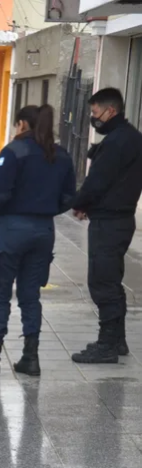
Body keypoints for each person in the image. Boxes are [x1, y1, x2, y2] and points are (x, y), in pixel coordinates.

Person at [0, 105, 76, 378]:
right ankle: (30, 358)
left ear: (22, 124)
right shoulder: (61, 155)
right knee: (31, 296)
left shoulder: (13, 152)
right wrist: (46, 210)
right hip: (44, 231)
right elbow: (69, 197)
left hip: (12, 229)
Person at [70, 88, 142, 364]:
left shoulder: (117, 142)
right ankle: (117, 340)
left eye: (95, 112)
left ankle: (107, 345)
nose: (93, 117)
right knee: (112, 280)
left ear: (111, 111)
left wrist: (79, 202)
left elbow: (98, 181)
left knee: (102, 282)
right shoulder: (131, 138)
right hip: (120, 219)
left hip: (110, 222)